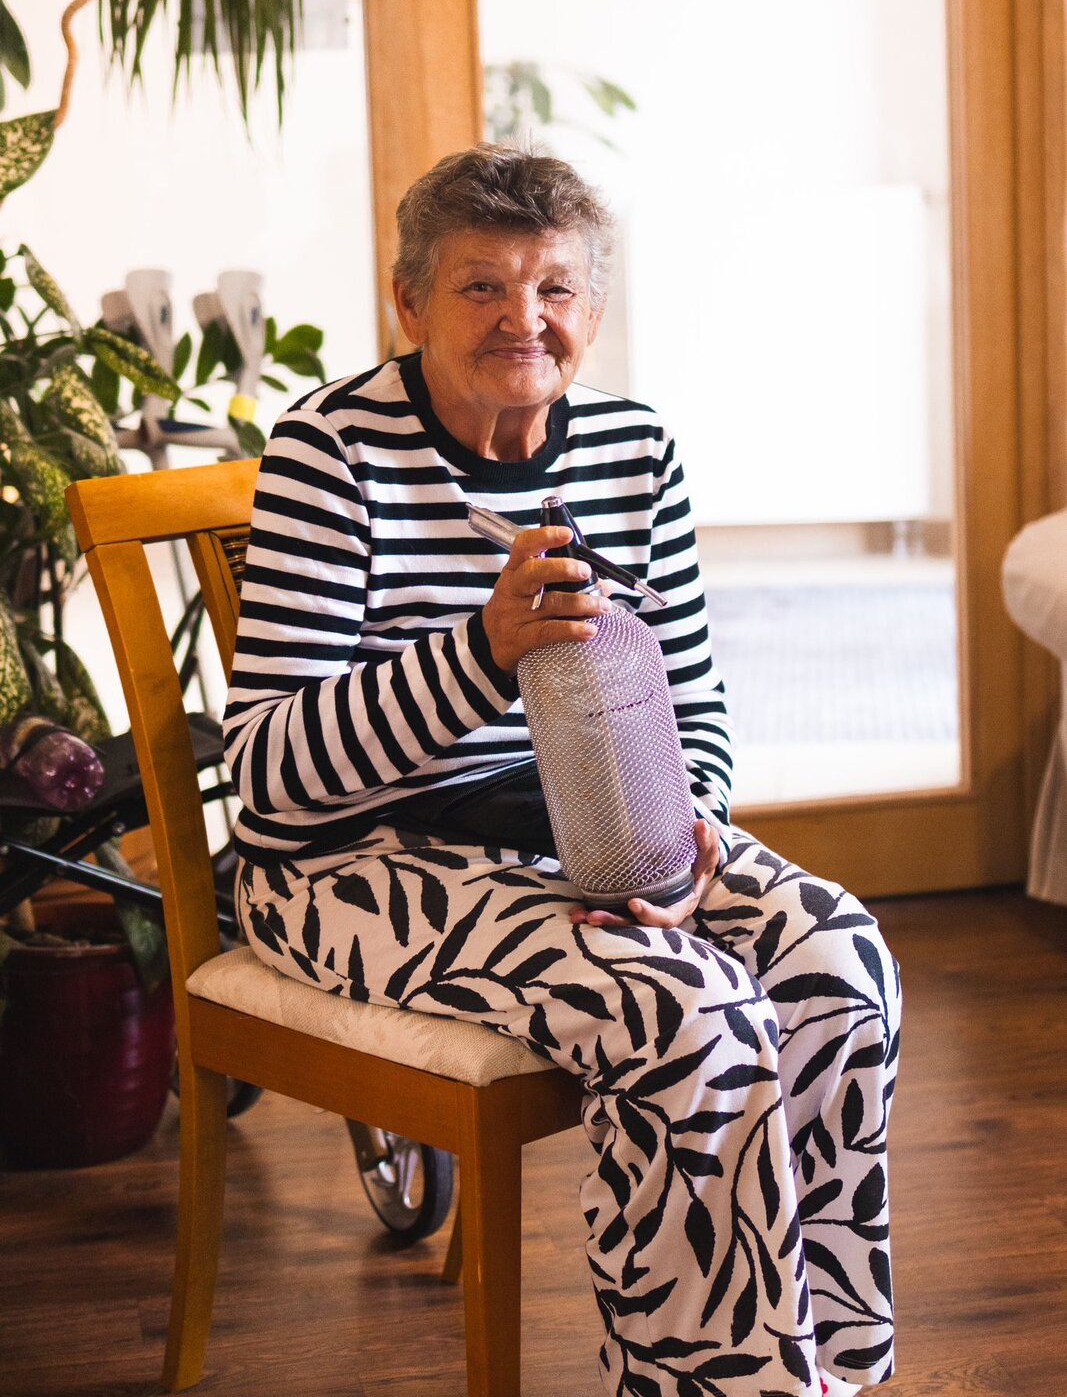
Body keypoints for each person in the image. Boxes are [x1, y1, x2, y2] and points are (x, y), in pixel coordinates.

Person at [222, 144, 901, 1397]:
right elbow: (266, 775)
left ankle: (827, 1375)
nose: (521, 319)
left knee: (838, 960)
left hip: (582, 831)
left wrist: (683, 831)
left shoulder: (635, 446)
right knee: (685, 1013)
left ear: (592, 306)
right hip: (348, 861)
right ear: (409, 302)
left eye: (554, 288)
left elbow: (688, 698)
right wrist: (482, 651)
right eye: (480, 286)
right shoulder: (332, 451)